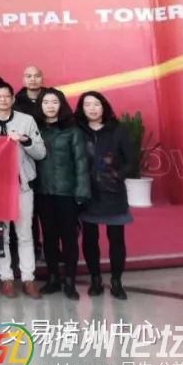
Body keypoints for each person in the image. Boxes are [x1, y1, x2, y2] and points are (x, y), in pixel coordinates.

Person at [0, 81, 46, 299]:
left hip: (22, 185)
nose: (3, 100)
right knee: (1, 235)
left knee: (25, 233)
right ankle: (6, 278)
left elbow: (41, 153)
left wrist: (25, 140)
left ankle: (28, 278)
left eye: (7, 96)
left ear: (13, 99)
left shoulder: (26, 120)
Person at [31, 89, 89, 301]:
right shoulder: (35, 130)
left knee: (69, 238)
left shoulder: (73, 131)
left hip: (67, 193)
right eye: (46, 102)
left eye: (54, 102)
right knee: (49, 237)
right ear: (40, 105)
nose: (50, 106)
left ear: (61, 105)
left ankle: (70, 280)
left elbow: (81, 163)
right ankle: (53, 278)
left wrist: (81, 192)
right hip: (43, 192)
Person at [75, 90, 133, 300]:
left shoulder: (117, 130)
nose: (92, 108)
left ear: (104, 107)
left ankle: (116, 281)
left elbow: (131, 161)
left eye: (96, 104)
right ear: (82, 109)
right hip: (87, 193)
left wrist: (116, 176)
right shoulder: (78, 131)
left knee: (116, 238)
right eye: (87, 104)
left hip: (113, 192)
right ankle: (95, 279)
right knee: (90, 238)